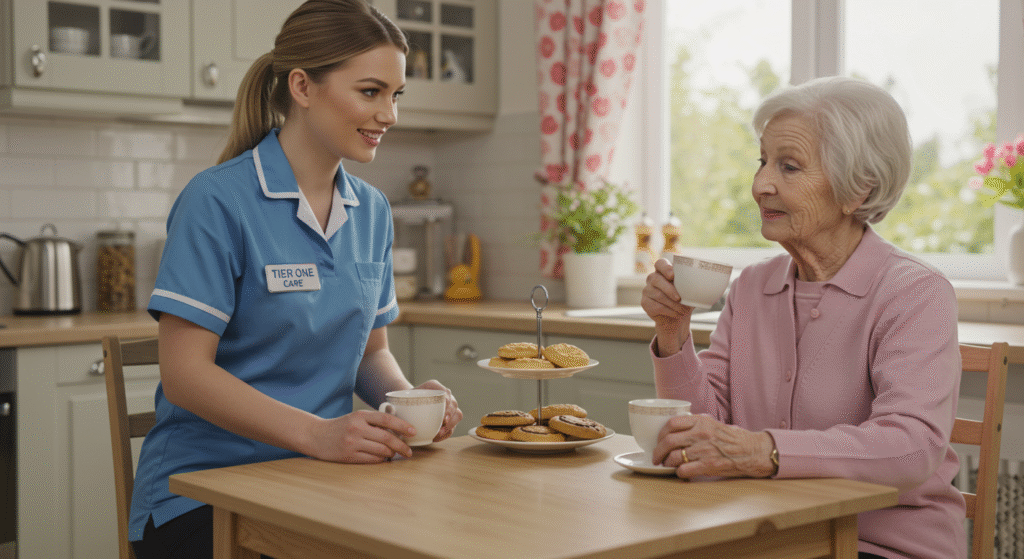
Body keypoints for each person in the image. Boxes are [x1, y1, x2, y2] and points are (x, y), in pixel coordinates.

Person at [130, 2, 463, 557]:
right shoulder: (217, 202)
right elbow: (185, 374)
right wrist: (318, 434)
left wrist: (408, 405)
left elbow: (368, 353)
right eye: (370, 91)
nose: (390, 115)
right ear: (303, 87)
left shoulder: (374, 210)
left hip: (320, 481)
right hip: (203, 494)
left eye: (396, 95)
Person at [641, 76, 965, 559]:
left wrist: (761, 452)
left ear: (859, 190)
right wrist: (673, 334)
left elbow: (912, 446)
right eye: (762, 161)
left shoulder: (915, 293)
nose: (760, 184)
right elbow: (704, 436)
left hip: (882, 546)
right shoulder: (752, 287)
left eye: (788, 167)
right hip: (764, 535)